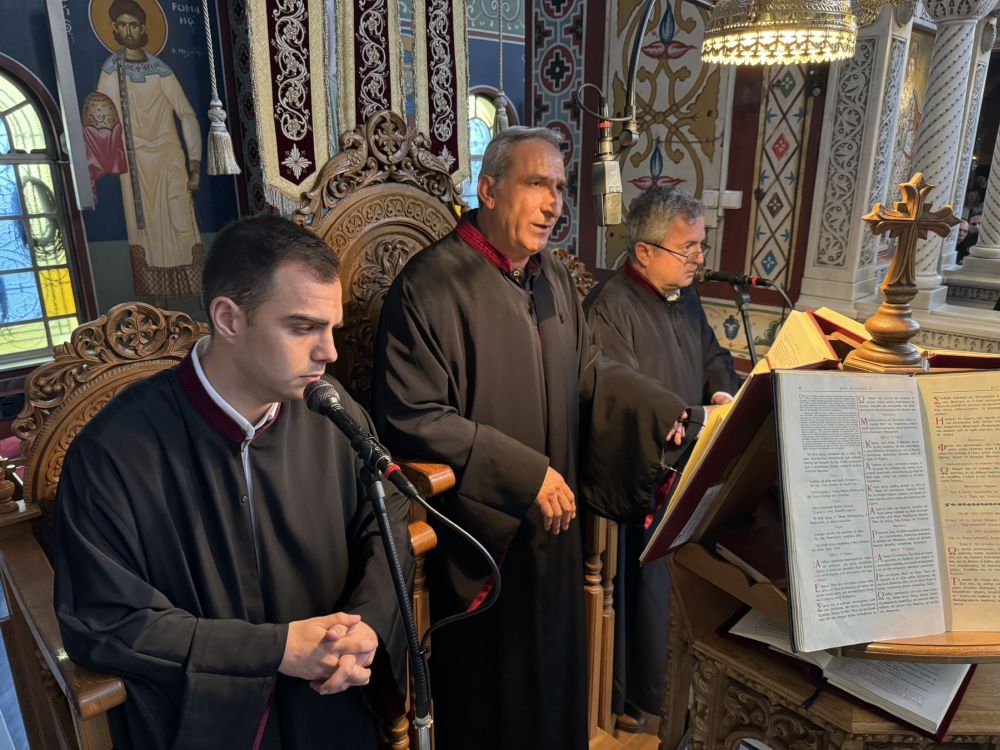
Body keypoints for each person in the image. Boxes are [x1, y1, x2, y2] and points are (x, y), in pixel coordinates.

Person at [374, 126, 692, 750]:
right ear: (488, 190)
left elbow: (589, 370)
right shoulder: (428, 286)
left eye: (561, 189)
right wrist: (524, 475)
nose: (555, 204)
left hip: (557, 530)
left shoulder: (552, 278)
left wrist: (662, 411)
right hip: (487, 537)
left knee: (555, 688)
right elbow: (414, 416)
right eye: (537, 184)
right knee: (500, 703)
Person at [54, 216, 412, 749]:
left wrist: (368, 624)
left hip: (330, 700)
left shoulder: (331, 410)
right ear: (228, 318)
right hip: (213, 720)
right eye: (303, 328)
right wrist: (273, 650)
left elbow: (385, 520)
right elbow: (107, 618)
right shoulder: (114, 451)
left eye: (332, 328)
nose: (329, 352)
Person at [583, 186, 740, 731]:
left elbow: (714, 355)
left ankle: (682, 685)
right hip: (643, 476)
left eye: (701, 244)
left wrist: (720, 392)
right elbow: (617, 393)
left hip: (692, 463)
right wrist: (677, 417)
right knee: (644, 598)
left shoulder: (682, 295)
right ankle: (637, 700)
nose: (699, 257)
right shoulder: (610, 307)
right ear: (644, 251)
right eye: (687, 247)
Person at [87, 0, 203, 305]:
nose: (128, 31)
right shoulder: (110, 71)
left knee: (182, 224)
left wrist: (194, 164)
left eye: (133, 25)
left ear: (143, 28)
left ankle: (197, 306)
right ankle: (157, 309)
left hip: (169, 157)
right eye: (122, 25)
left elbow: (187, 114)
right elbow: (102, 120)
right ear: (114, 29)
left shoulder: (161, 70)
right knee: (146, 236)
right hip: (136, 165)